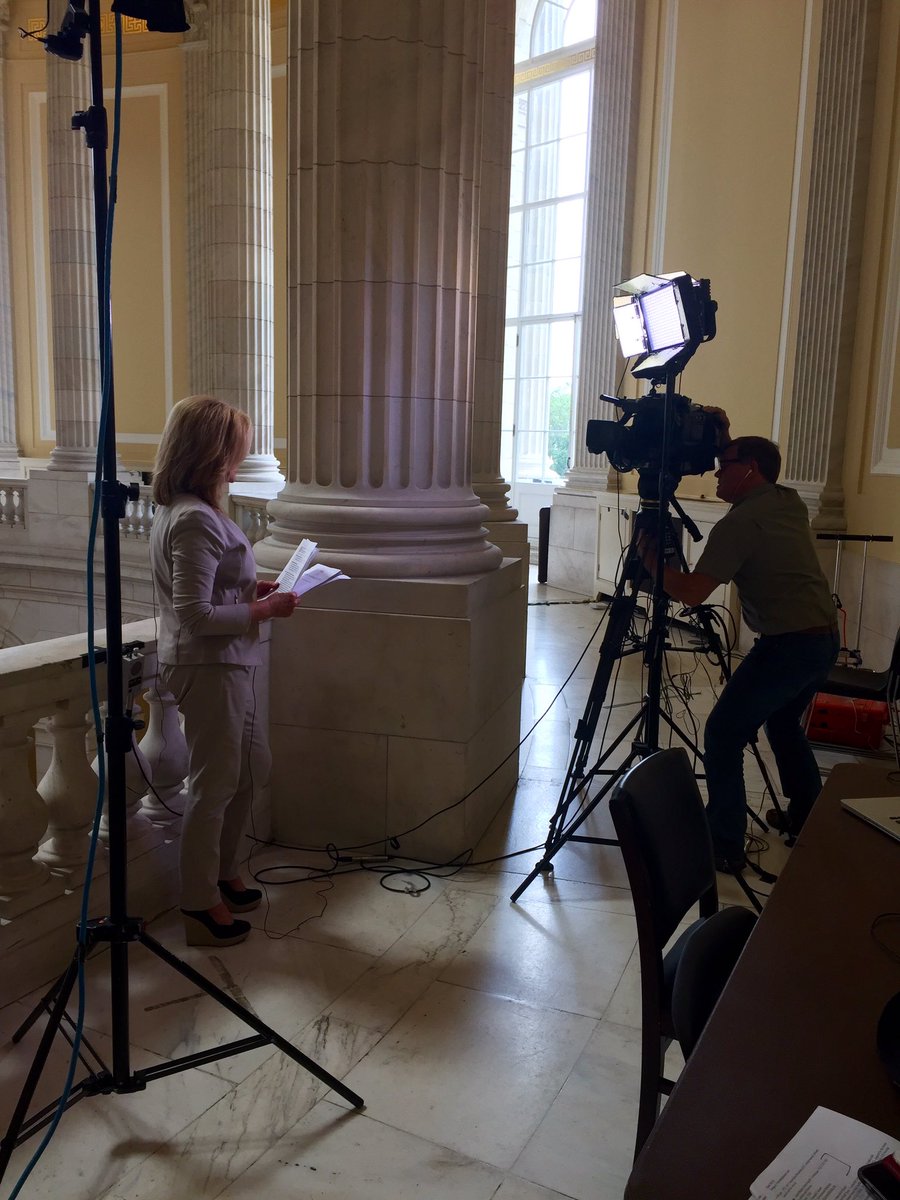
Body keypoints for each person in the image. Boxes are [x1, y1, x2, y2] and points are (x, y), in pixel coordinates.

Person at [639, 420, 839, 871]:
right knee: (783, 724)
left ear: (749, 469)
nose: (716, 473)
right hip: (822, 638)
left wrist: (653, 567)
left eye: (723, 465)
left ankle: (724, 841)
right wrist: (723, 433)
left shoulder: (741, 523)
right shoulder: (786, 500)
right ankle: (809, 816)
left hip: (789, 646)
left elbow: (693, 593)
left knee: (723, 733)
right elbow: (753, 459)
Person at [149, 395, 299, 946]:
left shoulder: (197, 511)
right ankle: (199, 902)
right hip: (207, 664)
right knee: (213, 785)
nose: (238, 464)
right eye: (235, 452)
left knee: (251, 768)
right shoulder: (193, 518)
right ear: (211, 454)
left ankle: (223, 871)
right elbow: (195, 614)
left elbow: (213, 589)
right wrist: (264, 609)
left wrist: (251, 589)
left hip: (227, 662)